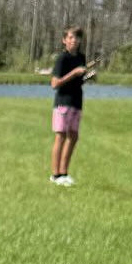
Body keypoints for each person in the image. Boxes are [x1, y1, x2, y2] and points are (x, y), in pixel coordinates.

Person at [49, 26, 96, 186]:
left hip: (77, 101)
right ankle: (55, 175)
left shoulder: (81, 58)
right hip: (63, 102)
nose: (73, 40)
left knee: (74, 136)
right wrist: (74, 73)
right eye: (70, 37)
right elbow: (55, 83)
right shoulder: (62, 58)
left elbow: (79, 81)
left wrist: (88, 76)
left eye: (76, 38)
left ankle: (64, 173)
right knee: (61, 136)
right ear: (64, 40)